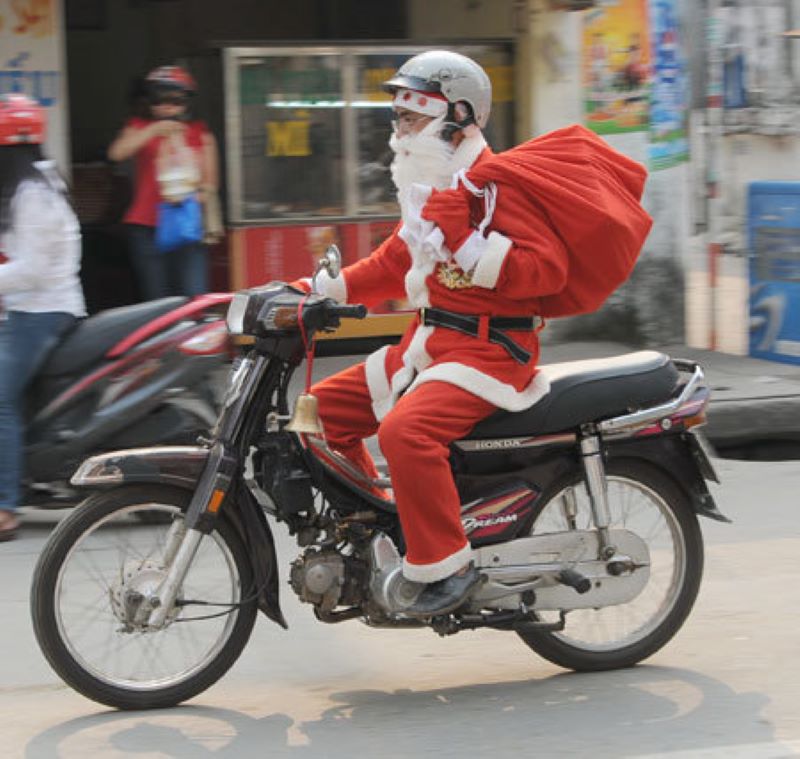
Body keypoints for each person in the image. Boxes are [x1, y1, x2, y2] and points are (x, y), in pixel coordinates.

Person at [296, 51, 573, 617]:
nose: (399, 132)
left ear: (458, 117)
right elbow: (395, 261)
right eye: (397, 118)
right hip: (430, 347)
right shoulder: (434, 185)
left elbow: (547, 272)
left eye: (412, 118)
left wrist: (469, 245)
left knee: (406, 433)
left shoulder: (497, 185)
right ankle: (390, 524)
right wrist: (316, 290)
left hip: (490, 352)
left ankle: (449, 566)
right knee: (316, 416)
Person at [0, 93, 86, 541]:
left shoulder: (31, 195)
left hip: (41, 311)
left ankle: (5, 507)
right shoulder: (40, 181)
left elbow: (31, 270)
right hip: (37, 306)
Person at [107, 65, 219, 300]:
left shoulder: (200, 132)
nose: (167, 106)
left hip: (185, 224)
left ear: (187, 102)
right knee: (157, 300)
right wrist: (154, 130)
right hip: (146, 225)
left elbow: (210, 183)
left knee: (194, 296)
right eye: (159, 99)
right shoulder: (138, 126)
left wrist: (189, 196)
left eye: (176, 100)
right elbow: (116, 153)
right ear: (149, 101)